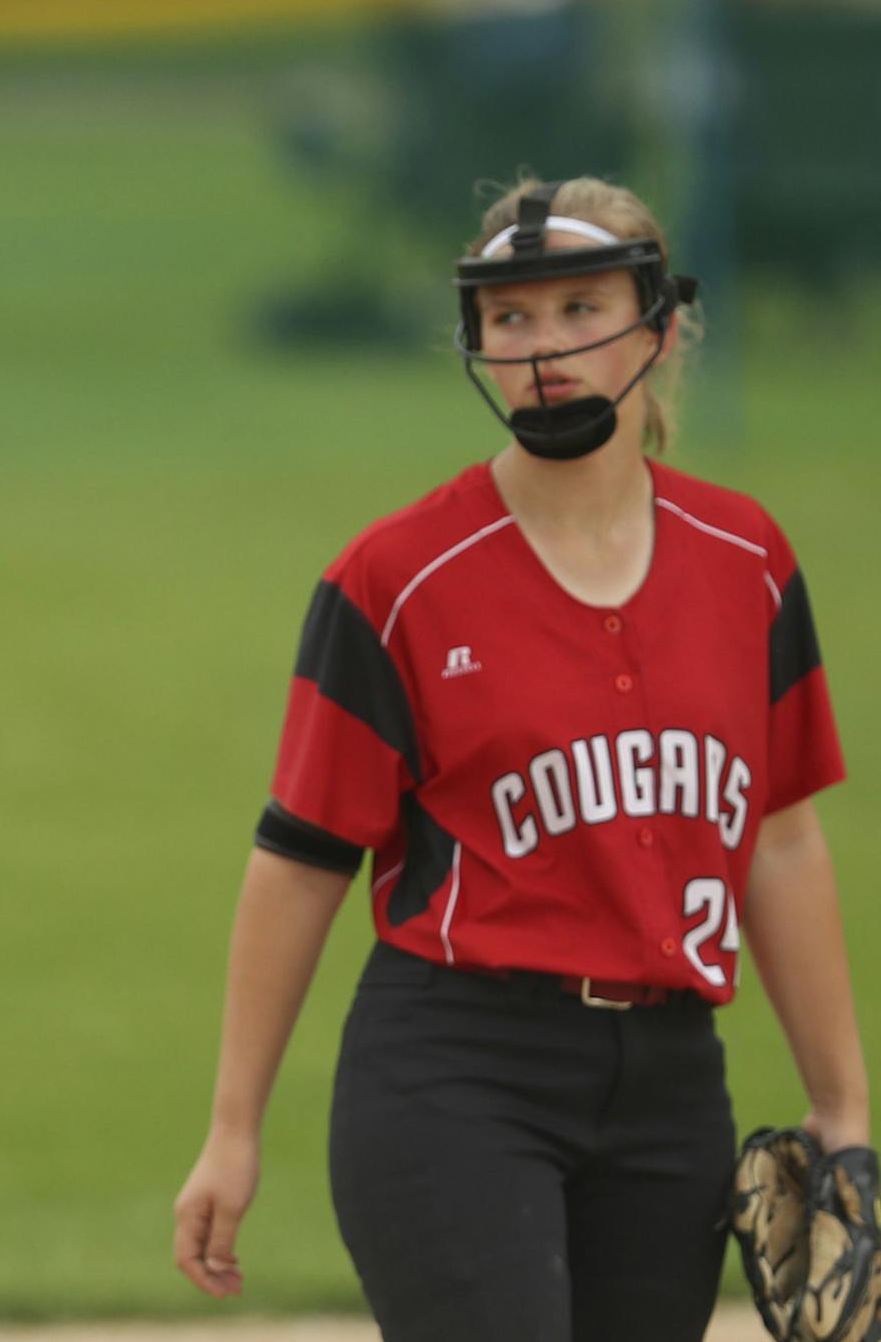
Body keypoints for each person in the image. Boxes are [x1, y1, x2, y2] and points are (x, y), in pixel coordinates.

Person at [170, 177, 868, 1341]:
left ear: (659, 326)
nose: (545, 347)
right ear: (479, 346)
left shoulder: (747, 560)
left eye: (581, 309)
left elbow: (782, 839)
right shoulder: (394, 581)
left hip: (670, 1084)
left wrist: (843, 1101)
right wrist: (232, 1130)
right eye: (511, 319)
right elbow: (300, 859)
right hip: (456, 1073)